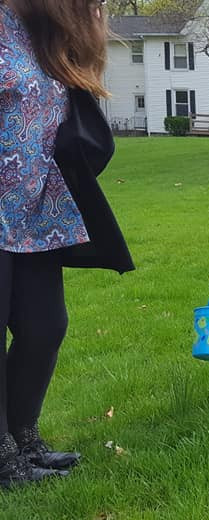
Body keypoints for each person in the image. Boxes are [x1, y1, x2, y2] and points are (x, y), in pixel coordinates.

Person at [0, 0, 135, 488]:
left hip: (35, 212)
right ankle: (2, 456)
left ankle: (21, 435)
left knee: (44, 327)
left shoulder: (43, 29)